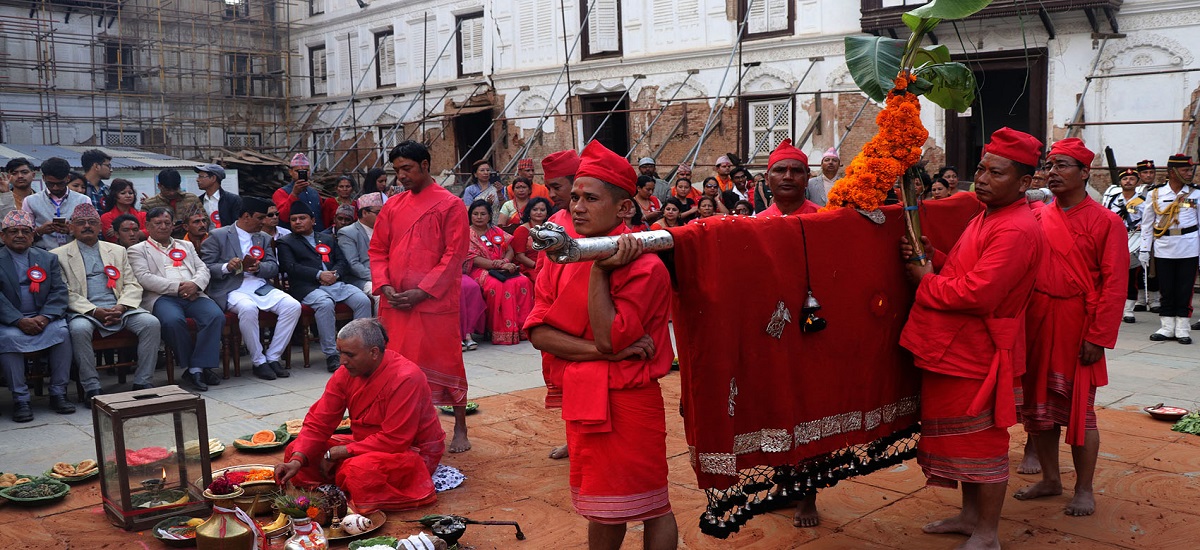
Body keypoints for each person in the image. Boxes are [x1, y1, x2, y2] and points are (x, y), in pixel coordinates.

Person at [525, 139, 677, 549]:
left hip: (628, 400)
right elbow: (539, 331)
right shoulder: (560, 256)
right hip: (585, 395)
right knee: (601, 507)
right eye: (574, 196)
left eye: (590, 198)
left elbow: (610, 336)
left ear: (624, 208)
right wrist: (599, 352)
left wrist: (598, 273)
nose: (576, 207)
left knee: (651, 506)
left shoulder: (645, 266)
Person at [898, 127, 1045, 550]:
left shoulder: (1015, 228)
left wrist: (926, 280)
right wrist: (935, 257)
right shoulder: (988, 215)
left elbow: (980, 293)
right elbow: (968, 270)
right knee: (962, 439)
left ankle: (988, 532)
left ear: (1023, 183)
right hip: (957, 346)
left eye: (995, 173)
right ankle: (968, 516)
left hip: (978, 351)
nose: (981, 178)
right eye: (981, 169)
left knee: (983, 443)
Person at [1013, 137, 1127, 518]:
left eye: (1062, 165)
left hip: (1079, 325)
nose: (1052, 173)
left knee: (1081, 410)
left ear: (1084, 173)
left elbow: (1114, 283)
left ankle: (1084, 488)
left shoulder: (1107, 221)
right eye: (1050, 165)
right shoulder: (1037, 215)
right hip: (1038, 320)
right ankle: (1050, 478)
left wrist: (1098, 335)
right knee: (1039, 408)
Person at [274, 319, 446, 513]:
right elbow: (319, 422)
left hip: (408, 450)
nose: (342, 361)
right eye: (340, 353)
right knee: (296, 451)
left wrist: (340, 452)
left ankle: (351, 485)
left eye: (349, 355)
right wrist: (297, 459)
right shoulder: (345, 373)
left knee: (357, 470)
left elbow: (395, 440)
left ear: (373, 352)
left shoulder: (406, 377)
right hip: (363, 444)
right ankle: (345, 480)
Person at [369, 141, 472, 453]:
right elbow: (377, 250)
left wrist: (422, 291)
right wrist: (384, 285)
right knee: (397, 366)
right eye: (397, 170)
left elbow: (455, 255)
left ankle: (460, 428)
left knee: (447, 362)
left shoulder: (451, 204)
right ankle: (404, 429)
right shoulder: (392, 206)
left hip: (434, 302)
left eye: (407, 169)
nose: (401, 176)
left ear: (426, 165)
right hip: (396, 303)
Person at [53, 203, 163, 405]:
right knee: (78, 329)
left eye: (92, 222)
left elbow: (132, 283)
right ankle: (91, 387)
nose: (87, 226)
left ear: (100, 227)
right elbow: (63, 291)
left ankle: (143, 382)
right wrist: (94, 311)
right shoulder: (58, 255)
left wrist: (121, 306)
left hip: (120, 307)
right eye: (81, 223)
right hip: (85, 312)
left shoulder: (117, 250)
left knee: (151, 323)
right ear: (71, 227)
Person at [200, 196, 300, 381]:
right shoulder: (219, 235)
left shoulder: (263, 237)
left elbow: (273, 266)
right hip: (231, 288)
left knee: (293, 306)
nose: (264, 222)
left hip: (259, 285)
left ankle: (273, 357)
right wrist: (226, 267)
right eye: (260, 218)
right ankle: (259, 361)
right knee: (248, 308)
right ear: (246, 216)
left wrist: (259, 268)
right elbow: (205, 268)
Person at [128, 207, 226, 392]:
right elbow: (144, 277)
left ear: (173, 225)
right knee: (172, 321)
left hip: (194, 293)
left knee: (215, 316)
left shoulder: (186, 245)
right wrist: (178, 288)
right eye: (158, 223)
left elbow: (203, 269)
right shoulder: (137, 250)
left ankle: (196, 367)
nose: (163, 227)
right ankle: (192, 367)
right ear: (147, 225)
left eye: (167, 223)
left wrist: (195, 285)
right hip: (162, 296)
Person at [278, 201, 373, 372]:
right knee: (325, 304)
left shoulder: (327, 238)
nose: (297, 222)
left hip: (335, 283)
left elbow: (342, 261)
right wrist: (318, 275)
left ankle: (360, 348)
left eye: (302, 218)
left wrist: (335, 274)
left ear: (313, 220)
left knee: (362, 300)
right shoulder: (286, 242)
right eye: (293, 220)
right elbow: (290, 267)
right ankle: (332, 355)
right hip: (307, 287)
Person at [0, 210, 75, 422]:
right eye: (13, 231)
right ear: (2, 236)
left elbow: (59, 291)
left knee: (63, 332)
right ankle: (21, 398)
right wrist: (18, 320)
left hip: (43, 318)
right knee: (6, 338)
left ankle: (58, 393)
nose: (20, 235)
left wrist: (45, 317)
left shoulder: (47, 258)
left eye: (25, 231)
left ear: (33, 235)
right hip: (10, 321)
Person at [1139, 154, 1200, 344]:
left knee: (1184, 288)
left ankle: (1182, 327)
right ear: (1172, 172)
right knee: (1166, 288)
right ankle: (1166, 327)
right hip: (1164, 247)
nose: (1189, 174)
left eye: (1190, 170)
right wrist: (1144, 249)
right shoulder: (1155, 194)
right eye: (1185, 170)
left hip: (1189, 246)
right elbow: (1147, 224)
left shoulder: (1196, 193)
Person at [465, 200, 534, 345]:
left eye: (483, 214)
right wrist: (495, 265)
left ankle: (522, 329)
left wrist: (506, 262)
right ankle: (500, 331)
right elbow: (473, 258)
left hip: (503, 267)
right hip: (479, 269)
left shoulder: (496, 231)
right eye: (475, 214)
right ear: (470, 216)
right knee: (498, 285)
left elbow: (509, 249)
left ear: (489, 216)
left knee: (523, 281)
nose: (479, 217)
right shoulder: (466, 234)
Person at [1102, 168, 1145, 323]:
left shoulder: (1143, 202)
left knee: (1131, 276)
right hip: (1115, 238)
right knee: (1111, 275)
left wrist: (1143, 228)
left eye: (1132, 179)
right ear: (1120, 182)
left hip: (1134, 237)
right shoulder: (1112, 199)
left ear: (1137, 182)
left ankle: (1128, 310)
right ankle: (1112, 308)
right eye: (1125, 178)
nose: (1128, 181)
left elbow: (1148, 220)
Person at [22, 157, 91, 250]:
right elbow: (23, 235)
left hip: (75, 252)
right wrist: (40, 231)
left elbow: (90, 233)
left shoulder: (83, 200)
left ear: (68, 178)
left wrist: (71, 230)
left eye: (60, 184)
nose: (55, 188)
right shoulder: (30, 201)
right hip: (42, 253)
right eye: (50, 184)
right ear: (43, 178)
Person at [758, 139, 820, 216]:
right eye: (780, 170)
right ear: (767, 179)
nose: (788, 177)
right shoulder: (757, 223)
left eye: (796, 171)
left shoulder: (823, 218)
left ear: (807, 179)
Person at [338, 192, 383, 293]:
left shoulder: (385, 230)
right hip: (361, 279)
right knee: (380, 293)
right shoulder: (348, 233)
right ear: (364, 213)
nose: (382, 216)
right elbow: (353, 264)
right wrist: (379, 278)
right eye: (378, 213)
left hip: (384, 275)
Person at [1133, 159, 1161, 312]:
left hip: (1155, 233)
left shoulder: (1159, 191)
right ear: (1140, 174)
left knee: (1153, 268)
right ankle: (1141, 299)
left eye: (1151, 172)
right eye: (1145, 172)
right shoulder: (1134, 193)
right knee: (1137, 267)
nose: (1148, 175)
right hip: (1136, 234)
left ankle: (1155, 299)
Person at [273, 153, 326, 232]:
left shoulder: (314, 193)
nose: (302, 173)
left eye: (306, 170)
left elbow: (321, 217)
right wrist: (294, 194)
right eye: (298, 171)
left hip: (316, 236)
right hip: (293, 238)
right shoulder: (281, 192)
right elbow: (283, 217)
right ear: (290, 172)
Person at [512, 197, 552, 281]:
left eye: (542, 210)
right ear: (529, 212)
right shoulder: (522, 230)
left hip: (548, 264)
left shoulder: (550, 229)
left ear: (547, 213)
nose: (538, 212)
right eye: (535, 209)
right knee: (544, 280)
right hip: (529, 266)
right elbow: (519, 257)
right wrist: (538, 266)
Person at [194, 163, 242, 230]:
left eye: (201, 176)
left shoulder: (232, 200)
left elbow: (238, 225)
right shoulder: (199, 201)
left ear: (213, 178)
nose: (197, 180)